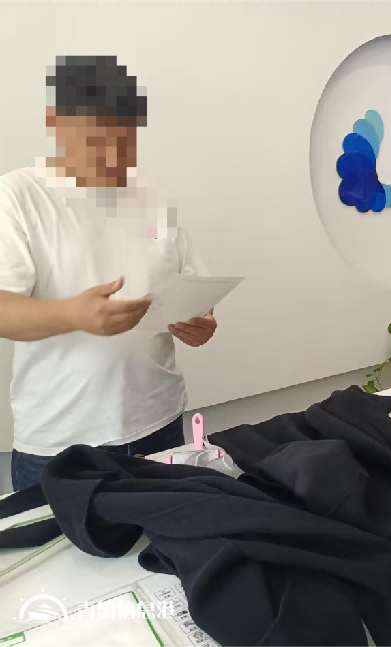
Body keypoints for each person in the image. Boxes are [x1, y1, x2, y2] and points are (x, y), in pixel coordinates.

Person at [0, 56, 217, 490]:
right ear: (56, 124)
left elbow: (191, 288)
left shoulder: (154, 200)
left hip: (160, 422)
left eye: (124, 137)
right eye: (96, 137)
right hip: (61, 443)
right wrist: (71, 315)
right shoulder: (17, 197)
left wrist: (201, 323)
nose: (112, 154)